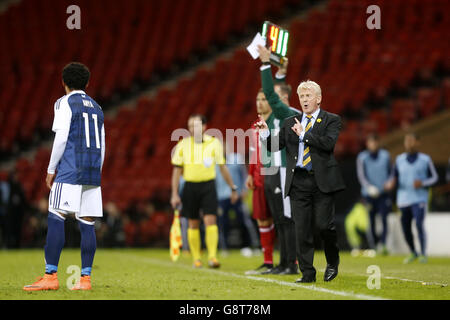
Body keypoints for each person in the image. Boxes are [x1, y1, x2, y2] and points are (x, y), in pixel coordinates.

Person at [23, 62, 105, 291]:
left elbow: (61, 138)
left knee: (56, 216)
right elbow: (103, 144)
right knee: (87, 223)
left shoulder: (64, 102)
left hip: (70, 169)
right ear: (87, 83)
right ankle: (85, 279)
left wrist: (51, 169)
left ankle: (50, 276)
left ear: (64, 83)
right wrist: (97, 172)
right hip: (92, 171)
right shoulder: (98, 107)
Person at [256, 79, 346, 283]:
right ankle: (307, 273)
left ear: (319, 99)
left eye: (308, 96)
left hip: (321, 181)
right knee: (301, 228)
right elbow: (275, 145)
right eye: (302, 96)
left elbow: (328, 144)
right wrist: (264, 133)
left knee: (324, 226)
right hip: (298, 181)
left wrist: (304, 135)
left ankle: (332, 261)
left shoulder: (331, 120)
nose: (304, 100)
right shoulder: (291, 122)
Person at [250, 45, 299, 275]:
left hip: (283, 169)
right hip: (271, 169)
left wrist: (266, 63)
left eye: (276, 98)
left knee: (286, 218)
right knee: (279, 218)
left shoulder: (290, 113)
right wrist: (280, 72)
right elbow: (275, 92)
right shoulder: (277, 115)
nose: (270, 101)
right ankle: (283, 263)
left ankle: (292, 263)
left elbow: (273, 93)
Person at [170, 114, 238, 268]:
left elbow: (223, 168)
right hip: (190, 187)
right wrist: (174, 193)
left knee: (210, 221)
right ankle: (196, 258)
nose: (193, 129)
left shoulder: (214, 143)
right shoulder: (182, 145)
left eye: (196, 125)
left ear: (205, 127)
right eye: (190, 126)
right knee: (193, 223)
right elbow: (176, 171)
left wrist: (232, 187)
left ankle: (212, 257)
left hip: (208, 186)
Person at [385, 133, 438, 264]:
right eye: (407, 141)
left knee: (419, 224)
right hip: (403, 199)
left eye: (411, 140)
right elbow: (393, 176)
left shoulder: (425, 159)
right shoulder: (399, 159)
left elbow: (435, 177)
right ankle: (413, 252)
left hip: (419, 198)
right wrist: (391, 182)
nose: (408, 143)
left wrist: (423, 183)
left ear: (418, 142)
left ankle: (423, 254)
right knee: (406, 228)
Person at [215, 147, 259, 253]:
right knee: (222, 223)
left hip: (237, 195)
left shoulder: (236, 159)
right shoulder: (214, 162)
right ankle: (224, 247)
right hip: (222, 196)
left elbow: (244, 175)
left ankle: (251, 245)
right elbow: (214, 180)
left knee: (244, 221)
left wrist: (244, 189)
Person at [356, 134, 392, 255]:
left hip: (383, 194)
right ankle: (374, 245)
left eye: (375, 142)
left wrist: (389, 182)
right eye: (371, 142)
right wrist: (369, 187)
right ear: (367, 144)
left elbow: (391, 172)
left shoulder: (385, 155)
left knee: (384, 219)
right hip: (369, 195)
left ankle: (383, 244)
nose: (373, 145)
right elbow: (361, 175)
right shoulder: (362, 157)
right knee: (370, 220)